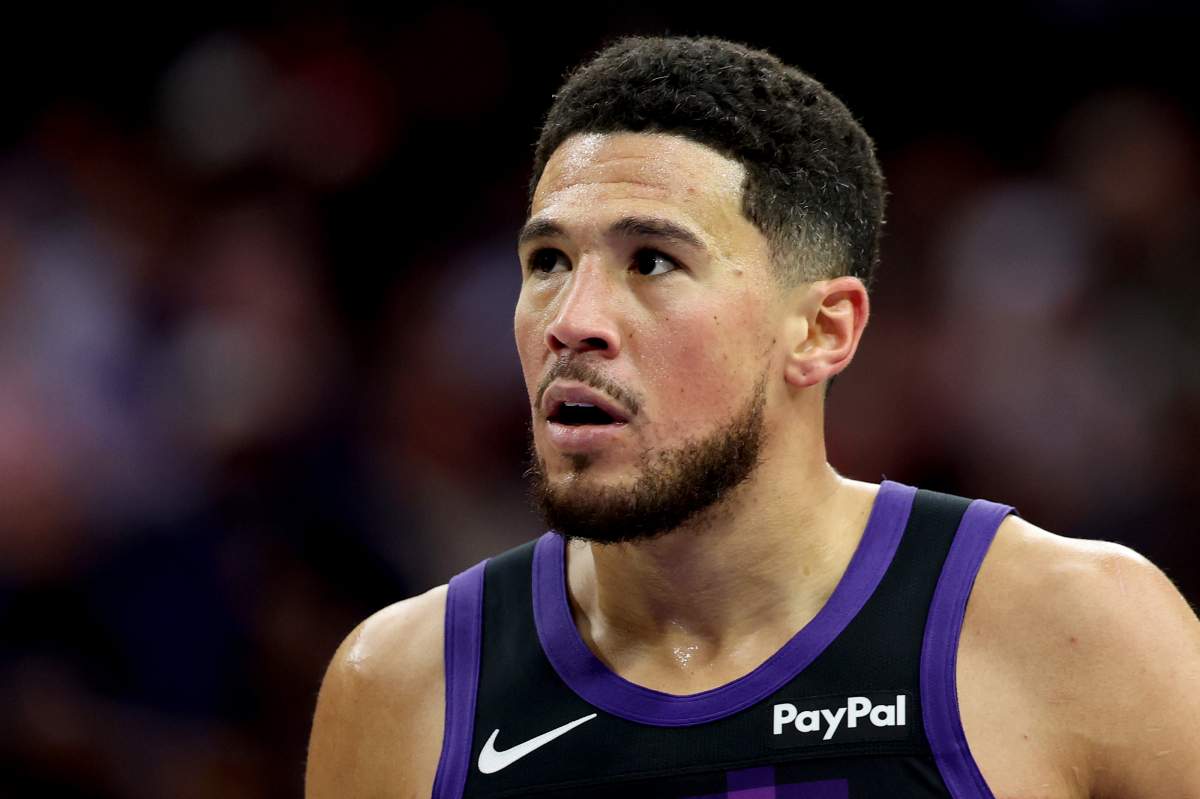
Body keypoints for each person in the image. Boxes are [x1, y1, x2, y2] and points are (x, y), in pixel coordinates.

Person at [305, 36, 1200, 798]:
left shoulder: (1078, 630)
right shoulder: (401, 685)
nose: (571, 320)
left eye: (651, 261)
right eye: (547, 261)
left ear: (821, 330)